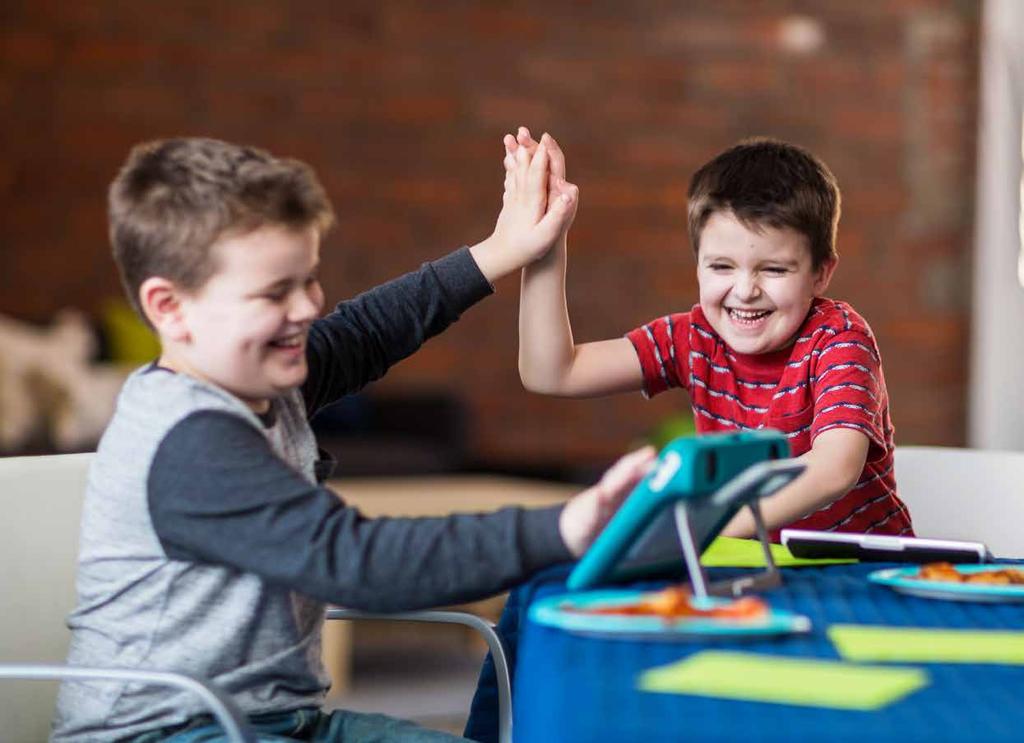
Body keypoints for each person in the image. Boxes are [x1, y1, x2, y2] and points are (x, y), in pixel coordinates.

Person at [52, 135, 656, 743]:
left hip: (281, 723)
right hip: (168, 732)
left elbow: (363, 333)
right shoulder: (191, 440)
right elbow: (356, 561)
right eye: (273, 293)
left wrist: (502, 250)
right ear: (170, 308)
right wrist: (564, 526)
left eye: (306, 280)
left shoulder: (253, 376)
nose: (306, 308)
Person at [513, 128, 912, 540]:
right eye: (722, 267)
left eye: (774, 269)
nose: (745, 291)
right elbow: (551, 372)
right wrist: (546, 241)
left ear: (821, 274)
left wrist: (708, 530)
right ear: (698, 264)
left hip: (861, 571)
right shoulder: (693, 337)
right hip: (747, 565)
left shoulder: (839, 339)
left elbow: (834, 471)